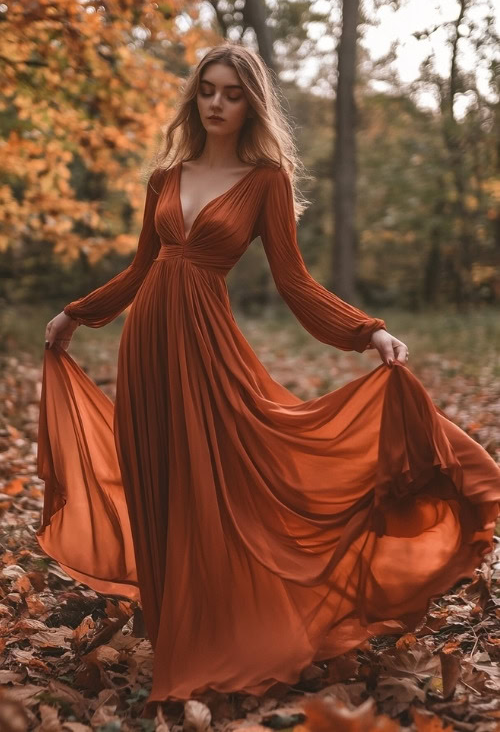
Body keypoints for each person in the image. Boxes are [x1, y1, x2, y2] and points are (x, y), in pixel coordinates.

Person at [38, 43, 500, 714]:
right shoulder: (166, 175)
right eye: (208, 91)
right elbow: (141, 270)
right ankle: (171, 634)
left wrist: (366, 330)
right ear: (194, 98)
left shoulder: (265, 182)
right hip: (146, 349)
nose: (218, 104)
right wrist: (77, 314)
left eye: (232, 93)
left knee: (218, 482)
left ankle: (220, 636)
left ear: (251, 102)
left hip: (206, 350)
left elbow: (295, 281)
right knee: (157, 483)